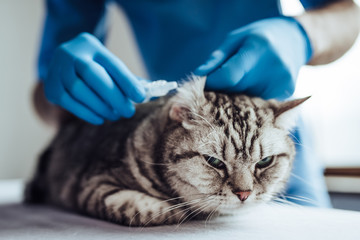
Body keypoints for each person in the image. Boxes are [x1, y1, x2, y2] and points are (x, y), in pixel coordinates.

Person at [33, 0, 360, 207]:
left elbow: (349, 13)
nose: (242, 190)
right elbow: (44, 101)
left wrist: (302, 34)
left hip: (271, 135)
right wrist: (63, 90)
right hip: (181, 143)